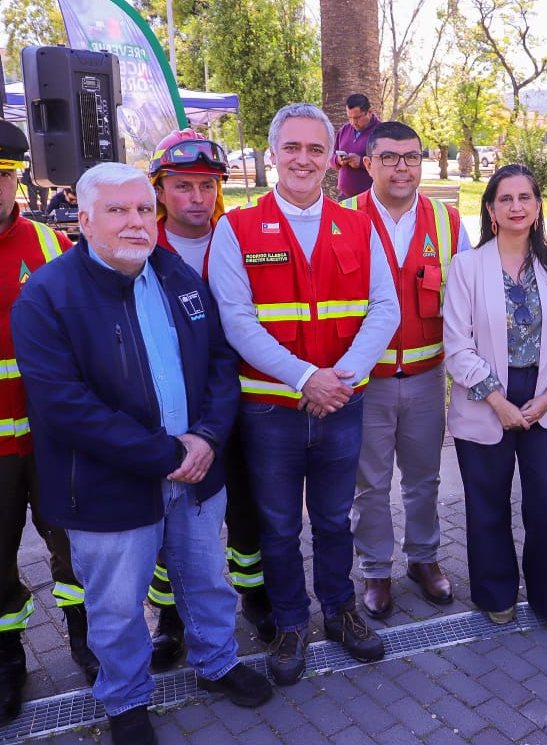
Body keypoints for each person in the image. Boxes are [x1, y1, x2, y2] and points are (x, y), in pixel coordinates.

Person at [11, 162, 272, 745]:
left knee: (206, 581)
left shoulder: (177, 275)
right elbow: (64, 406)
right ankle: (126, 699)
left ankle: (217, 662)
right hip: (109, 484)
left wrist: (207, 438)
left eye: (141, 209)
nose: (135, 223)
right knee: (117, 606)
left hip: (197, 472)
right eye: (117, 211)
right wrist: (165, 453)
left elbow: (220, 363)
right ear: (83, 220)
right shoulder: (47, 296)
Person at [208, 103, 398, 685]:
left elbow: (384, 308)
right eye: (291, 147)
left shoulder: (359, 226)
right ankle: (291, 623)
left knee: (336, 518)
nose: (303, 159)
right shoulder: (237, 228)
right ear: (272, 155)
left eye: (316, 149)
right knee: (278, 524)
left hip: (342, 403)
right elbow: (237, 321)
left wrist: (340, 378)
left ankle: (340, 611)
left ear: (331, 157)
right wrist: (304, 378)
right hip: (270, 409)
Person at [0, 107, 96, 728]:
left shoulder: (48, 244)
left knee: (77, 550)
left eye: (2, 174)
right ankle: (4, 665)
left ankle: (88, 643)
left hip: (55, 442)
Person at [143, 130, 275, 671]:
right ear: (159, 190)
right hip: (169, 408)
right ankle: (171, 618)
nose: (197, 197)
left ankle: (256, 595)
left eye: (207, 185)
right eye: (182, 185)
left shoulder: (237, 236)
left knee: (248, 505)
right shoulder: (142, 245)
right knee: (169, 510)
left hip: (238, 399)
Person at [443, 164, 547, 629]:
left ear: (539, 207)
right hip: (485, 399)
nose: (516, 206)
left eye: (525, 198)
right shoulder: (466, 267)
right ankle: (496, 593)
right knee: (487, 502)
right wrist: (497, 401)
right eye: (506, 198)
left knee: (546, 504)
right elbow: (457, 346)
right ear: (490, 209)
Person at [340, 121, 469, 619]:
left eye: (412, 157)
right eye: (389, 158)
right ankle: (375, 570)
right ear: (367, 163)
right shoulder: (341, 218)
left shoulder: (448, 223)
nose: (402, 167)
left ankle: (424, 560)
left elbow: (466, 301)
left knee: (424, 479)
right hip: (364, 384)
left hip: (425, 378)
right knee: (370, 485)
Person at [330, 93, 380, 200]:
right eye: (350, 118)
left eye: (357, 118)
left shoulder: (381, 132)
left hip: (370, 199)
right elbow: (331, 157)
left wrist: (361, 162)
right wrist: (338, 160)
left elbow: (387, 165)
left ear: (369, 112)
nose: (353, 122)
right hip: (345, 198)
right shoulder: (344, 130)